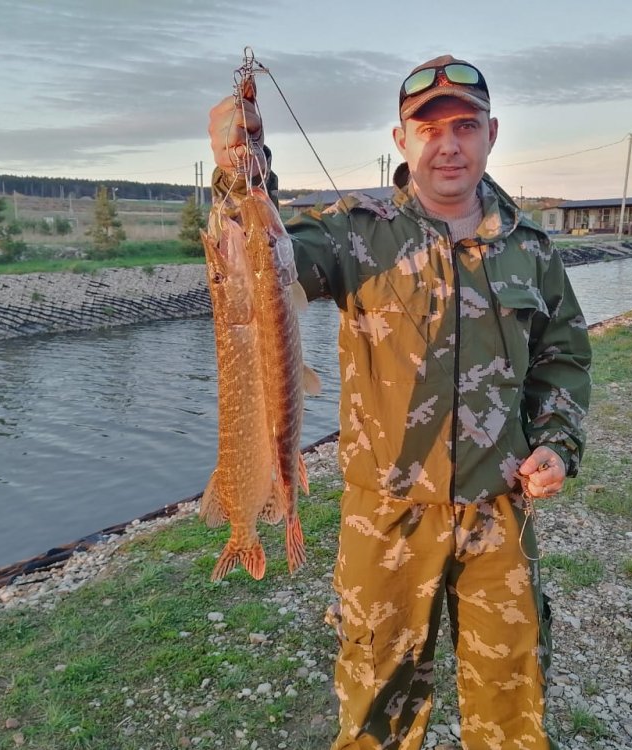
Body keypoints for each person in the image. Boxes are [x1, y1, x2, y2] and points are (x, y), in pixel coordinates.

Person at [208, 54, 592, 750]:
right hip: (385, 514)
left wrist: (556, 444)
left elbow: (562, 356)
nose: (449, 145)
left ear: (491, 134)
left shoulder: (532, 248)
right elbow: (260, 261)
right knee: (375, 704)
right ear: (402, 140)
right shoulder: (353, 231)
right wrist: (242, 169)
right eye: (429, 128)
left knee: (512, 701)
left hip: (499, 508)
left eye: (465, 126)